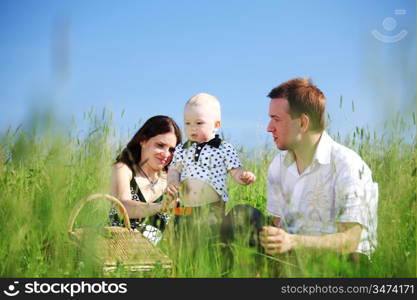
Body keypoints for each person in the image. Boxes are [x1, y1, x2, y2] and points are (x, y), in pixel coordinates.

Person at [258, 78, 378, 271]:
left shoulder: (348, 165)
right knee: (243, 216)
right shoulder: (278, 165)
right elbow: (278, 226)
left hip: (343, 265)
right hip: (295, 260)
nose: (269, 128)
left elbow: (350, 242)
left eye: (276, 119)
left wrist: (293, 241)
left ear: (303, 123)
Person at [110, 115, 182, 245]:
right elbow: (123, 207)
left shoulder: (172, 180)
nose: (166, 154)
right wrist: (161, 207)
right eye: (160, 145)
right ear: (143, 140)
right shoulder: (123, 169)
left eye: (171, 149)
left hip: (152, 260)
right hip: (115, 250)